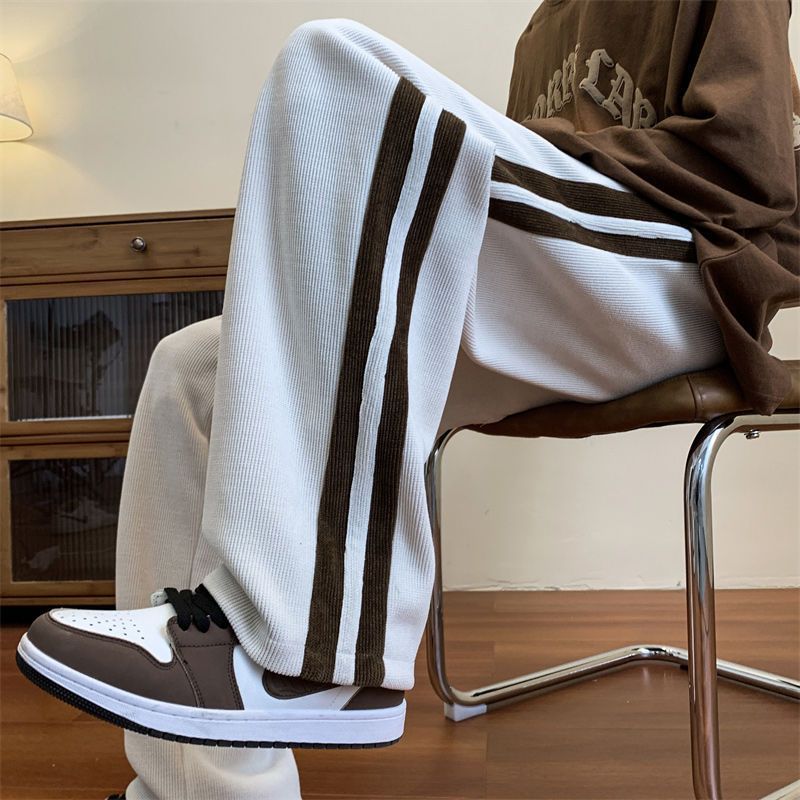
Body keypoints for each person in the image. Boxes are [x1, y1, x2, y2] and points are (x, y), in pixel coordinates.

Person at [16, 3, 798, 798]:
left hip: (686, 274)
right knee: (190, 367)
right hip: (562, 277)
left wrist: (535, 151)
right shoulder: (546, 28)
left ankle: (306, 654)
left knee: (331, 64)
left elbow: (754, 168)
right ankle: (204, 790)